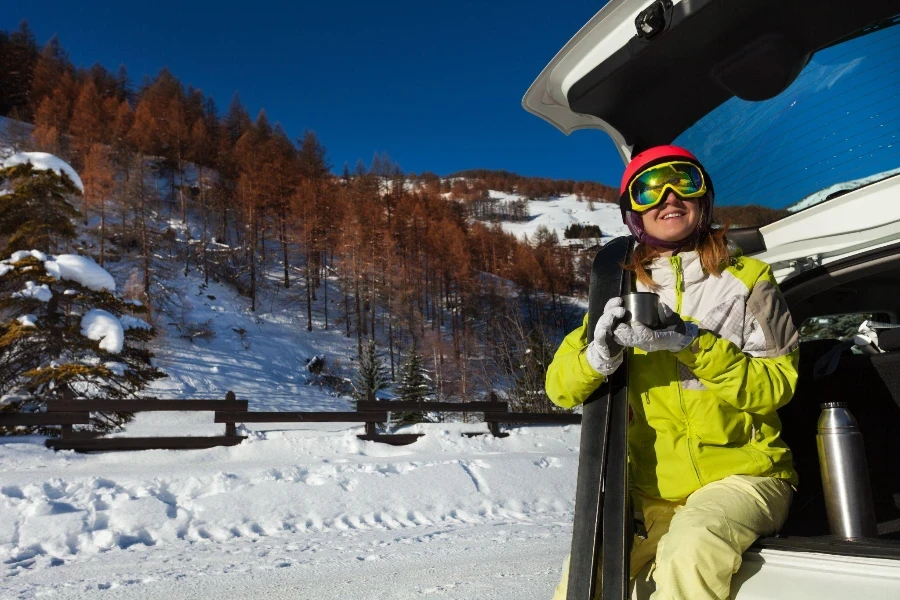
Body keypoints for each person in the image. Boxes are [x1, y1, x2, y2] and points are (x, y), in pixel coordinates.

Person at [546, 145, 799, 600]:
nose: (668, 197)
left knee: (691, 550)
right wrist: (597, 356)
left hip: (746, 478)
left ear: (704, 200)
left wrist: (692, 343)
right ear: (632, 213)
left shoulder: (748, 281)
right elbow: (559, 389)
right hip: (651, 493)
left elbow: (775, 386)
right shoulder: (618, 290)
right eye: (649, 189)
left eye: (684, 181)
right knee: (582, 578)